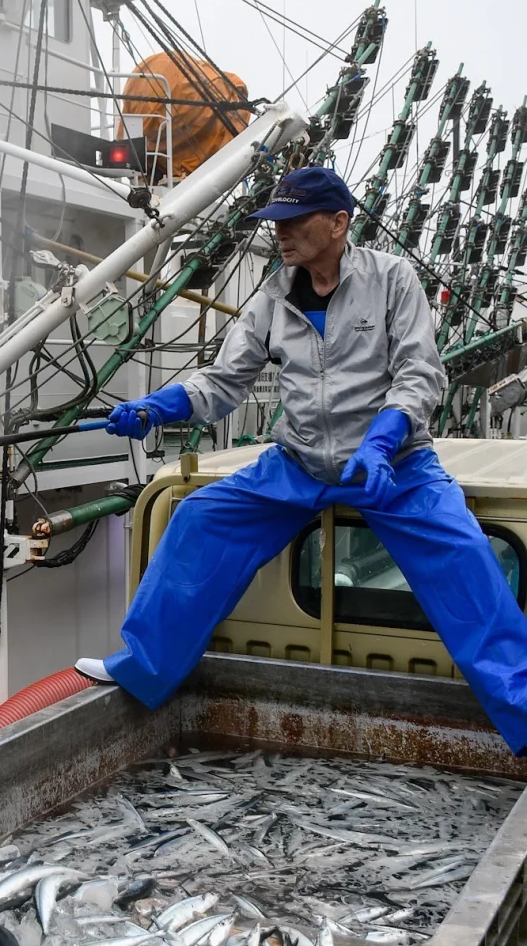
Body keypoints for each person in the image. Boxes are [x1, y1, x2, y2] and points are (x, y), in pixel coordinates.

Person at [76, 165, 527, 756]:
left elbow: (420, 374)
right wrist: (156, 408)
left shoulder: (392, 279)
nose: (280, 234)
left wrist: (383, 442)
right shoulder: (273, 295)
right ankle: (145, 668)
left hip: (394, 465)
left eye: (293, 221)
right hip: (300, 463)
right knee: (198, 518)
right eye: (276, 223)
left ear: (339, 223)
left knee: (466, 556)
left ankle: (521, 710)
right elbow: (224, 381)